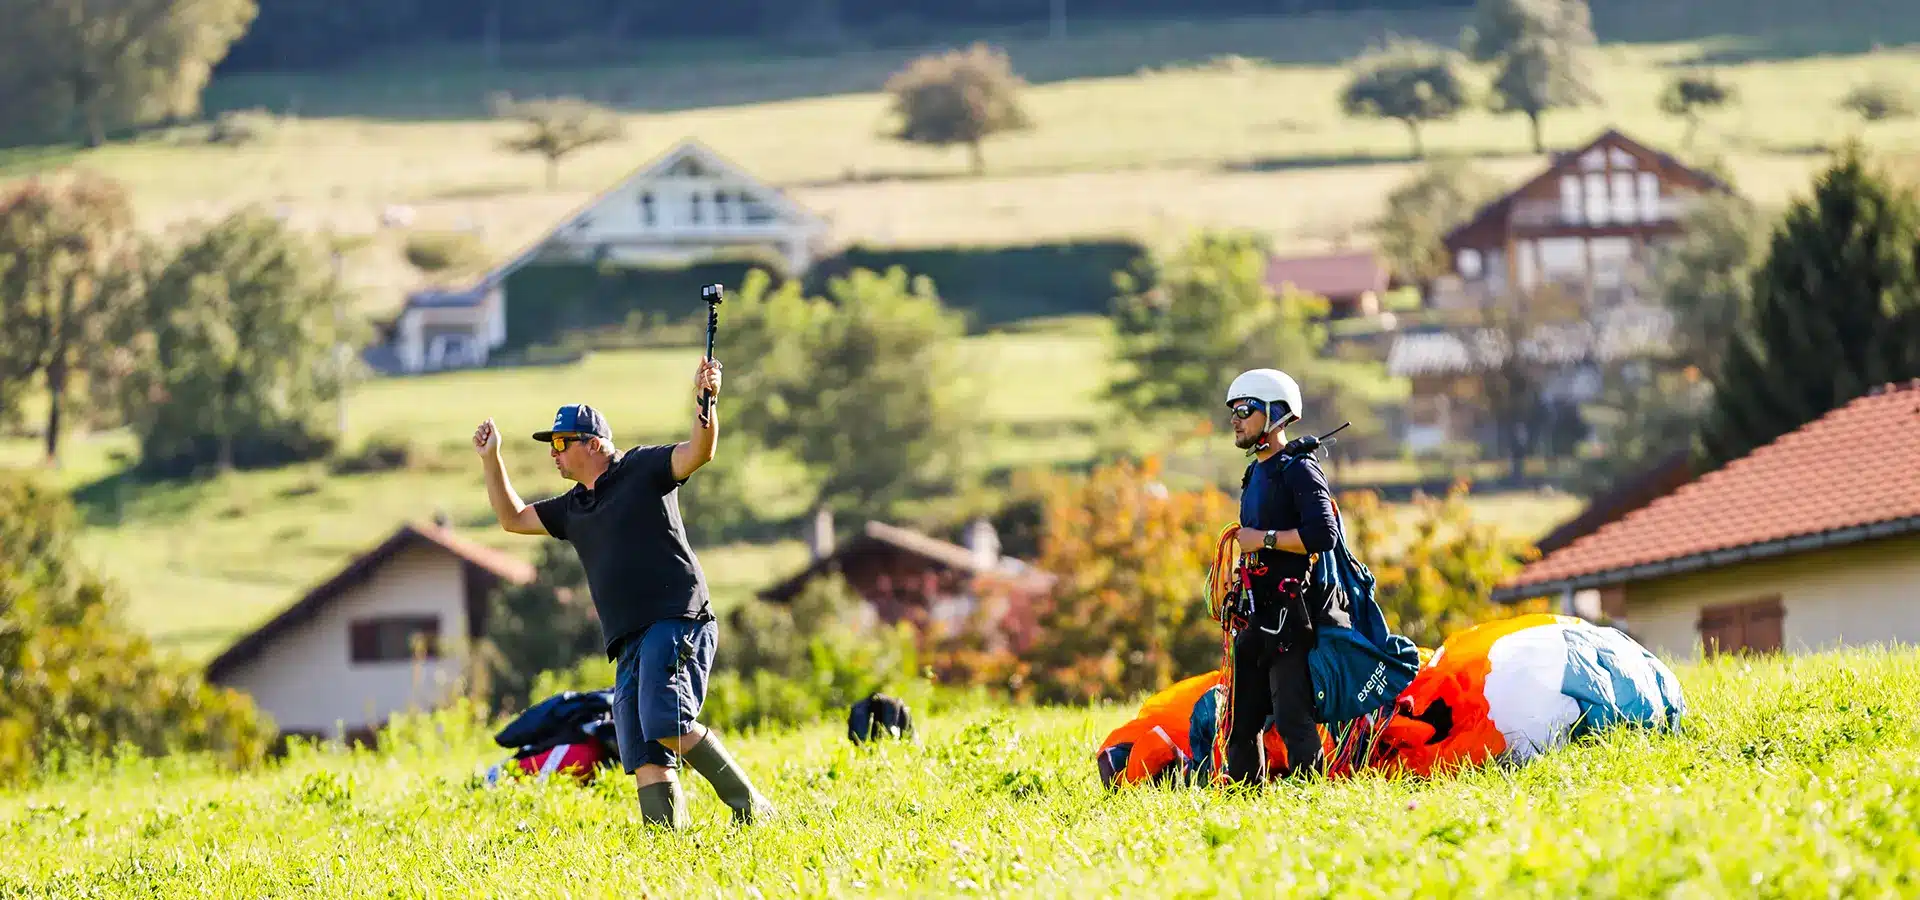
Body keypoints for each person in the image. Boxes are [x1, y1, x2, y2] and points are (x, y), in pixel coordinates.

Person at [469, 356, 774, 829]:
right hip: (627, 641)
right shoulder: (574, 507)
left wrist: (704, 399)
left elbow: (699, 451)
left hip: (675, 619)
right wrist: (492, 459)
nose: (553, 453)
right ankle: (667, 848)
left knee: (666, 718)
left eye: (561, 443)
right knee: (641, 751)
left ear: (593, 444)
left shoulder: (642, 468)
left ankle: (753, 808)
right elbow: (512, 518)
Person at [1220, 367, 1350, 784]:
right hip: (1256, 614)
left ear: (1274, 414)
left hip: (1291, 619)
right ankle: (1241, 805)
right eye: (1233, 411)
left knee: (1294, 720)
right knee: (1241, 725)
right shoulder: (1255, 474)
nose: (1235, 419)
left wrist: (1265, 540)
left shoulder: (1299, 470)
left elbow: (1322, 534)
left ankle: (1312, 804)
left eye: (1244, 409)